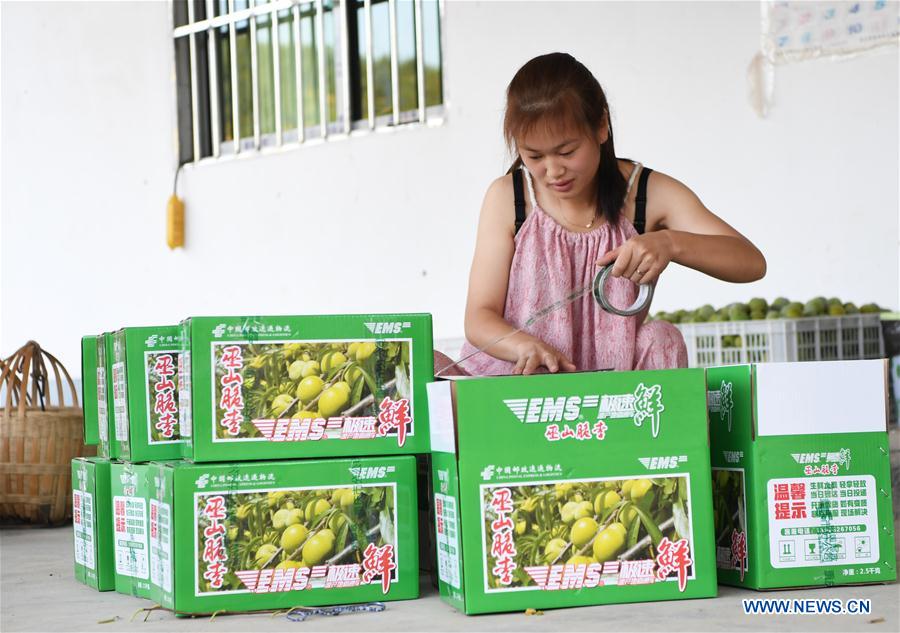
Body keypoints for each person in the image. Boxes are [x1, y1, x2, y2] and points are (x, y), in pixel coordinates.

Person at [438, 52, 766, 377]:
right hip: (522, 379)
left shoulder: (647, 194)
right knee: (430, 366)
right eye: (534, 156)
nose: (553, 171)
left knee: (662, 339)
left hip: (615, 389)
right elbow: (479, 316)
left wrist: (670, 243)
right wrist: (524, 346)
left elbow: (751, 262)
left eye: (567, 151)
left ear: (601, 126)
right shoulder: (508, 197)